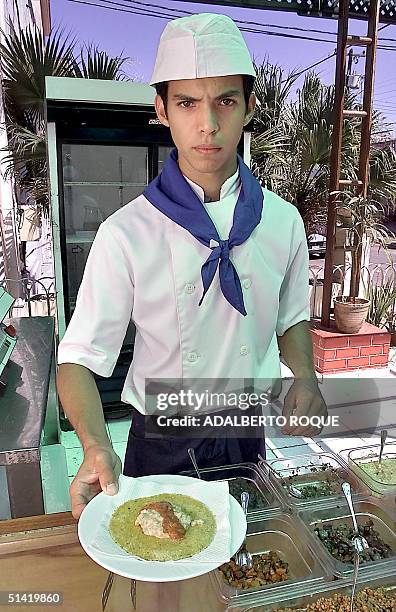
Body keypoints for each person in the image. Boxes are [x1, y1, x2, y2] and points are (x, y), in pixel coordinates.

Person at [56, 13, 327, 520]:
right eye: (186, 103)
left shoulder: (283, 222)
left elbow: (290, 318)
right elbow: (76, 359)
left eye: (225, 100)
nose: (207, 124)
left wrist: (306, 379)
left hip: (246, 436)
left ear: (249, 107)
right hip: (160, 441)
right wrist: (95, 444)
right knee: (163, 580)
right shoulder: (126, 233)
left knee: (246, 567)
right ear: (162, 110)